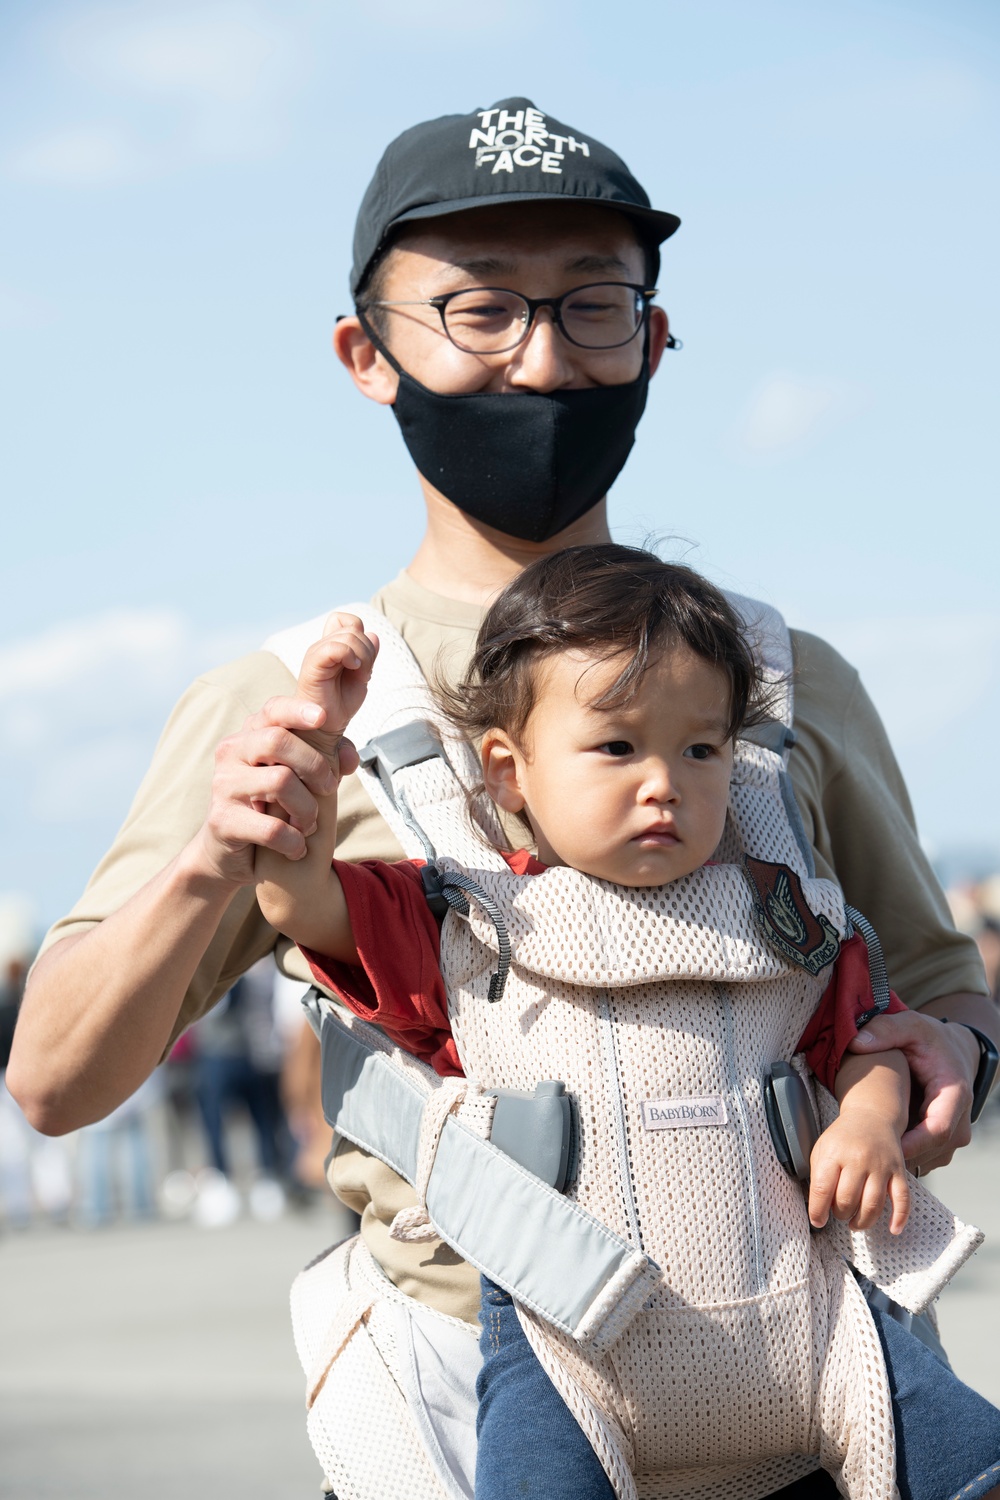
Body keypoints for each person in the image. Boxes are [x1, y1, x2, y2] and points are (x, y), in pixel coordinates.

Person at [7, 97, 996, 1496]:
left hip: (804, 1397)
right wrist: (211, 863)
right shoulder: (279, 702)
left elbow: (948, 985)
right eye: (476, 309)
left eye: (594, 305)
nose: (540, 359)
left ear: (656, 339)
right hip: (472, 1410)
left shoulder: (784, 679)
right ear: (368, 354)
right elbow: (53, 1081)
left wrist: (942, 1061)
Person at [254, 547, 1000, 1500]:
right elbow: (301, 903)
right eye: (617, 748)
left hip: (818, 1333)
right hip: (567, 1352)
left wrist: (866, 1116)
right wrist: (309, 769)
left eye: (701, 749)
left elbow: (867, 1039)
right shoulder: (462, 922)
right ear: (508, 771)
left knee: (967, 1459)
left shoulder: (787, 916)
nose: (665, 783)